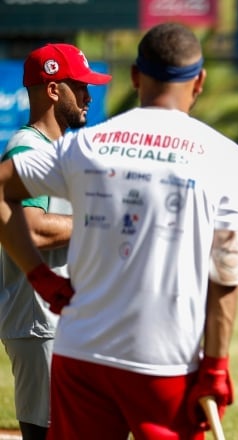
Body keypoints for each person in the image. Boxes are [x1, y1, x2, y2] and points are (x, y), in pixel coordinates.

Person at [0, 22, 238, 439]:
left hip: (80, 348)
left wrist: (38, 275)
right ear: (201, 81)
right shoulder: (223, 155)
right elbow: (225, 273)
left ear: (136, 77)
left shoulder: (83, 145)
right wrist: (216, 364)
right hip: (163, 358)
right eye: (79, 85)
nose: (88, 94)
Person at [0, 43, 111, 440]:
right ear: (52, 89)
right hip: (40, 323)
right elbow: (32, 226)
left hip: (58, 319)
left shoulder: (55, 151)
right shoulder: (27, 148)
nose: (88, 96)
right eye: (79, 86)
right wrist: (102, 222)